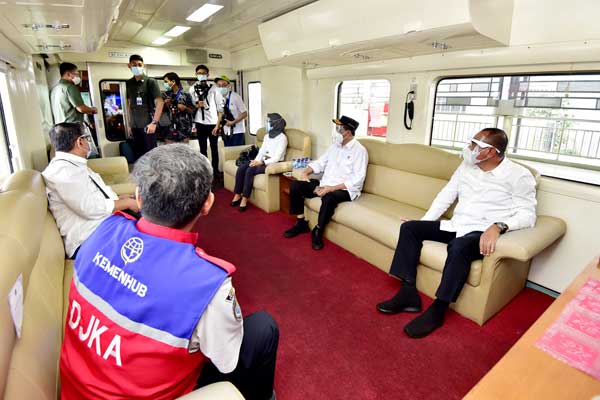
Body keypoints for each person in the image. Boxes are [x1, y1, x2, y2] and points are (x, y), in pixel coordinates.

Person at [59, 144, 279, 400]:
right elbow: (225, 358)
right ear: (207, 203)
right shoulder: (206, 283)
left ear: (138, 197)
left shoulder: (99, 233)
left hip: (74, 391)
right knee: (263, 328)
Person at [376, 128, 537, 338]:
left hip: (480, 233)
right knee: (410, 228)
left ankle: (439, 309)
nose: (468, 149)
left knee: (459, 246)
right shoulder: (467, 166)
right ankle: (408, 293)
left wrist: (499, 226)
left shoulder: (518, 175)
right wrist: (425, 221)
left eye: (474, 145)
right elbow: (446, 195)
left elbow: (528, 215)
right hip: (457, 225)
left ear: (490, 152)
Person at [42, 123, 139, 258]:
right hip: (88, 239)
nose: (88, 142)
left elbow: (90, 195)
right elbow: (89, 208)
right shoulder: (63, 171)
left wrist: (118, 198)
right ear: (80, 142)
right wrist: (127, 203)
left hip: (102, 226)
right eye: (87, 138)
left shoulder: (74, 165)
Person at [283, 115, 368, 250]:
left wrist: (331, 188)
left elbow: (358, 179)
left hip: (344, 190)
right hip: (324, 184)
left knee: (329, 198)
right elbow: (320, 163)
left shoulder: (360, 151)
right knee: (296, 185)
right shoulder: (334, 146)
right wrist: (305, 172)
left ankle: (318, 230)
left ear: (348, 131)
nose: (337, 130)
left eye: (339, 128)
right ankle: (301, 223)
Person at [231, 113, 287, 212]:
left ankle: (245, 198)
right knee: (242, 168)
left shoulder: (282, 138)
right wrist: (256, 161)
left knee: (249, 170)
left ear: (275, 124)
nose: (267, 124)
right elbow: (261, 151)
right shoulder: (267, 136)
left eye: (268, 122)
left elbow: (277, 157)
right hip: (261, 160)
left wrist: (261, 162)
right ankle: (237, 194)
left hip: (272, 163)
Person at [125, 54, 164, 160]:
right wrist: (129, 124)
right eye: (134, 65)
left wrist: (154, 123)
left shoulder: (150, 82)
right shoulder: (128, 83)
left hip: (148, 125)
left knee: (151, 156)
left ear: (143, 66)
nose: (137, 67)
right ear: (129, 66)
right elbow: (129, 105)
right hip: (135, 126)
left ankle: (154, 176)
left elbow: (160, 103)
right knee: (138, 155)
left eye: (139, 64)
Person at [190, 64, 224, 182]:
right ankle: (205, 173)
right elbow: (191, 106)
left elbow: (220, 109)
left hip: (212, 123)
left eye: (204, 73)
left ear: (208, 74)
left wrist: (217, 125)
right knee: (202, 149)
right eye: (199, 73)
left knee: (214, 148)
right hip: (200, 122)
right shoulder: (192, 88)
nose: (201, 75)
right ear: (196, 75)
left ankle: (215, 172)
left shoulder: (214, 89)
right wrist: (196, 105)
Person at [215, 75, 248, 147]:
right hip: (226, 131)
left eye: (224, 85)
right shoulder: (219, 98)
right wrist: (217, 126)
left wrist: (233, 122)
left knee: (236, 153)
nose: (221, 87)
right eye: (219, 85)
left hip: (237, 131)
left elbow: (245, 113)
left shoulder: (236, 97)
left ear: (229, 86)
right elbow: (220, 113)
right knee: (228, 152)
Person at [162, 72, 195, 143]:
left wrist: (185, 108)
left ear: (173, 82)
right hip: (168, 128)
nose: (164, 84)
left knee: (183, 151)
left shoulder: (186, 95)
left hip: (184, 128)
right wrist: (165, 105)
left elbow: (192, 110)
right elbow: (159, 112)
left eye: (166, 82)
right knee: (169, 151)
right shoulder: (164, 95)